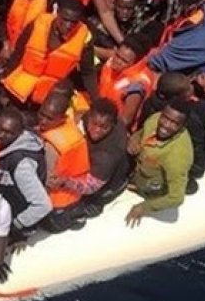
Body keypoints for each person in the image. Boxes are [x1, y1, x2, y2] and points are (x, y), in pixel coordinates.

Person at [1, 0, 94, 106]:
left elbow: (88, 73)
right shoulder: (37, 24)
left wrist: (96, 99)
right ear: (57, 13)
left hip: (47, 99)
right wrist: (4, 90)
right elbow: (17, 55)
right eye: (65, 19)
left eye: (74, 22)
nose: (69, 25)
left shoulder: (84, 37)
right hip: (19, 89)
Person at [54, 98, 131, 226]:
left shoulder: (108, 155)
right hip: (94, 162)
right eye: (94, 123)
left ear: (112, 124)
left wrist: (65, 181)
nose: (96, 130)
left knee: (76, 210)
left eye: (103, 127)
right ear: (89, 116)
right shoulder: (90, 117)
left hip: (106, 185)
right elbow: (79, 118)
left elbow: (89, 187)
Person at [125, 97, 193, 226]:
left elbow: (176, 198)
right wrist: (134, 140)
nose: (165, 125)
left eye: (174, 123)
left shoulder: (177, 156)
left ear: (182, 126)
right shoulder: (155, 119)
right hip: (136, 169)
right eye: (165, 117)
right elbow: (141, 132)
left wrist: (144, 207)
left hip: (150, 189)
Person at [0, 107, 52, 236]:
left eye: (8, 132)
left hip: (16, 222)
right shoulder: (15, 144)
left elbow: (43, 205)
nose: (1, 135)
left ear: (20, 133)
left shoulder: (21, 164)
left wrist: (15, 225)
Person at [36, 92, 92, 213]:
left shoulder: (51, 147)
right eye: (41, 114)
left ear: (62, 118)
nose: (43, 121)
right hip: (76, 194)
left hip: (55, 202)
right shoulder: (71, 127)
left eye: (49, 118)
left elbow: (46, 183)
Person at [97, 31, 156, 130]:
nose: (117, 61)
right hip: (99, 109)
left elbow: (125, 120)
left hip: (110, 126)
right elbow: (107, 54)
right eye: (117, 56)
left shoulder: (136, 85)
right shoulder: (116, 59)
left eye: (124, 61)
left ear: (135, 64)